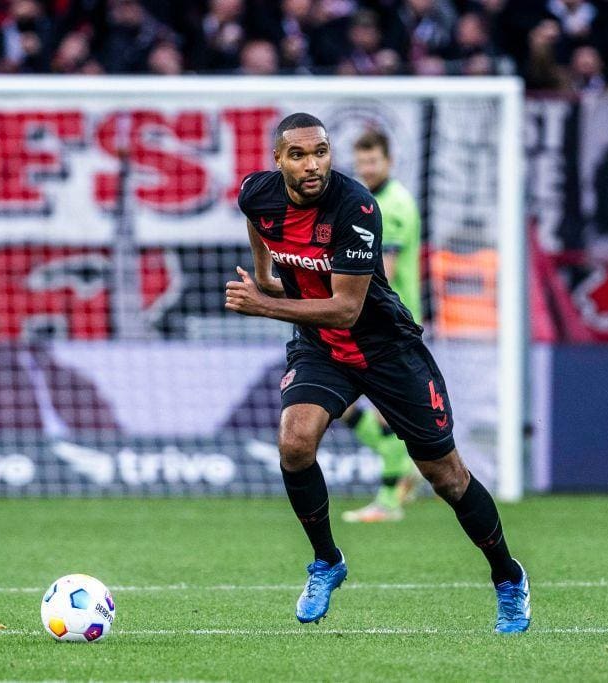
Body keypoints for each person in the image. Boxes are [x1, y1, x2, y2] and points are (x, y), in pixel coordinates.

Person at [227, 112, 530, 632]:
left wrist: (263, 304)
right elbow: (256, 221)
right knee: (295, 443)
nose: (311, 163)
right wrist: (266, 277)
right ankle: (327, 562)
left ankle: (508, 577)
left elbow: (346, 309)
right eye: (297, 155)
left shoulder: (356, 207)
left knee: (446, 476)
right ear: (278, 161)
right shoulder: (257, 193)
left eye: (320, 151)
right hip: (322, 348)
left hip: (386, 349)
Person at [339, 129, 423, 524]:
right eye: (362, 164)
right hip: (366, 320)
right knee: (343, 407)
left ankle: (389, 501)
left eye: (374, 162)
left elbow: (382, 273)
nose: (368, 169)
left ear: (389, 162)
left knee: (387, 413)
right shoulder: (368, 202)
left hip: (389, 322)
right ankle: (405, 468)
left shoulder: (396, 205)